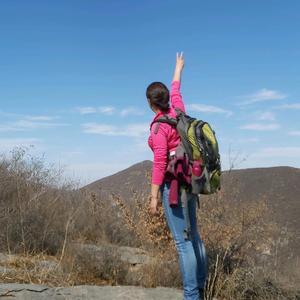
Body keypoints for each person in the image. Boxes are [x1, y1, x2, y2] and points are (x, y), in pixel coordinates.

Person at [146, 52, 207, 300]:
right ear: (167, 100)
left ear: (151, 104)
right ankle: (200, 286)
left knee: (183, 244)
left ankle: (191, 296)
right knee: (194, 236)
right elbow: (177, 89)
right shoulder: (179, 111)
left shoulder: (160, 126)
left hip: (173, 187)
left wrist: (153, 196)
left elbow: (159, 162)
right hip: (191, 181)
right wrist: (178, 68)